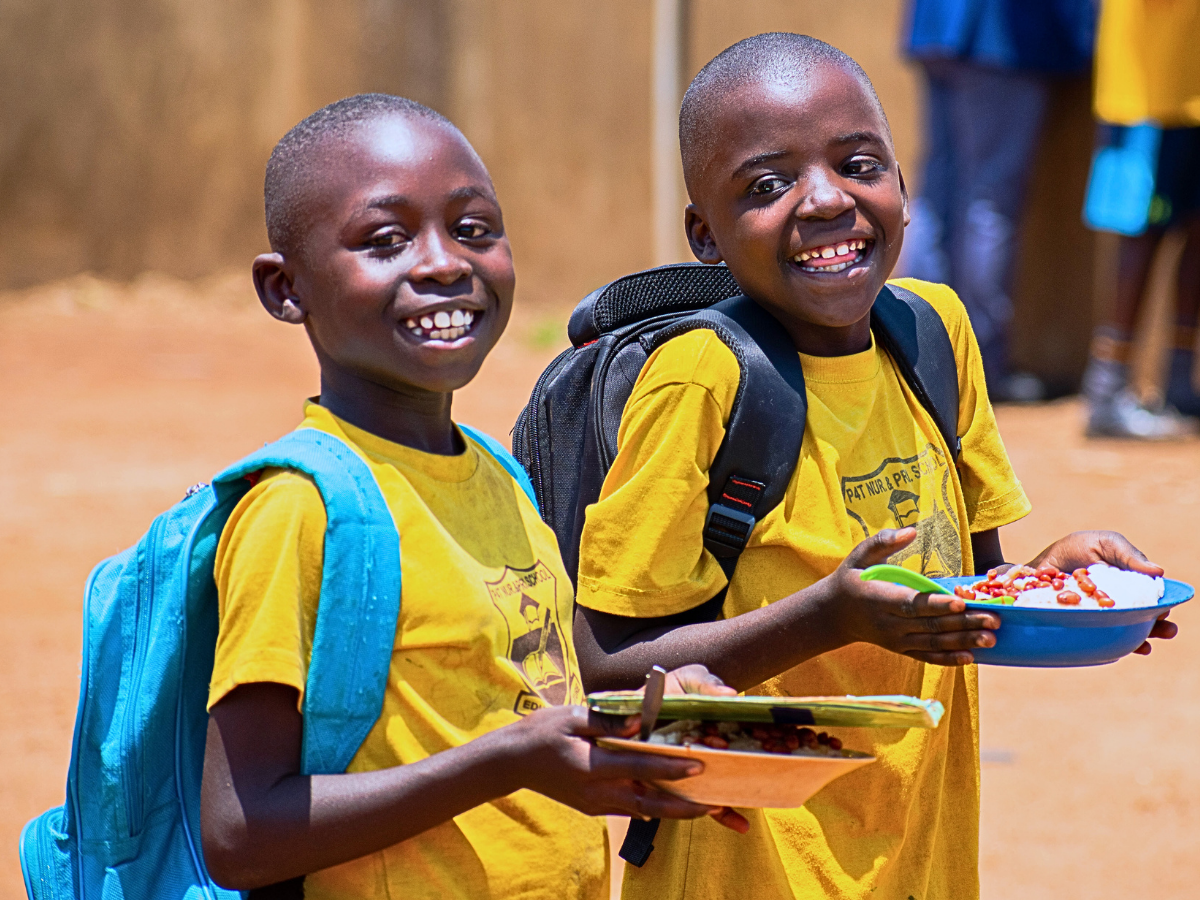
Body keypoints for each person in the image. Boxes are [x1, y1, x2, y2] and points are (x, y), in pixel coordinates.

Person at [571, 34, 1176, 900]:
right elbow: (603, 661)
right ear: (705, 234)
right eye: (768, 186)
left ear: (902, 184)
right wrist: (829, 619)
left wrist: (1061, 586)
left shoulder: (933, 334)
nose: (825, 200)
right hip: (746, 868)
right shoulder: (703, 378)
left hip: (919, 846)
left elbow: (967, 588)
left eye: (859, 163)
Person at [199, 94, 746, 900]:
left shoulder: (502, 477)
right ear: (286, 289)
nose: (444, 262)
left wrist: (656, 713)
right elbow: (241, 831)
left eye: (474, 229)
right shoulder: (299, 511)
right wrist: (510, 760)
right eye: (386, 240)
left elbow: (519, 699)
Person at [900, 0, 1097, 402]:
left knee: (936, 197)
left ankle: (915, 354)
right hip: (1001, 40)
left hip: (937, 27)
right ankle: (981, 368)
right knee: (988, 203)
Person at [1080, 0, 1200, 438]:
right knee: (1140, 234)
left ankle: (1180, 384)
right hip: (1145, 95)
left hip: (1190, 91)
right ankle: (1107, 390)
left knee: (1195, 233)